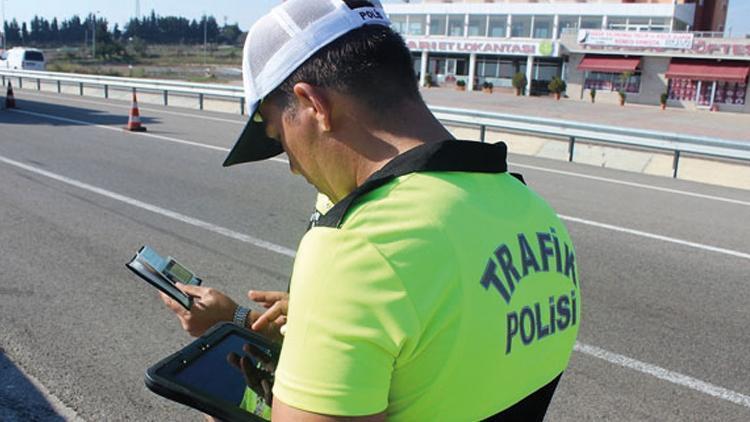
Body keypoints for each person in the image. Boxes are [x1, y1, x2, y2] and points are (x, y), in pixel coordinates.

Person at [162, 0, 582, 420]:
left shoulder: (357, 249)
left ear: (314, 105)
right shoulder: (537, 215)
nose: (291, 165)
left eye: (280, 137)